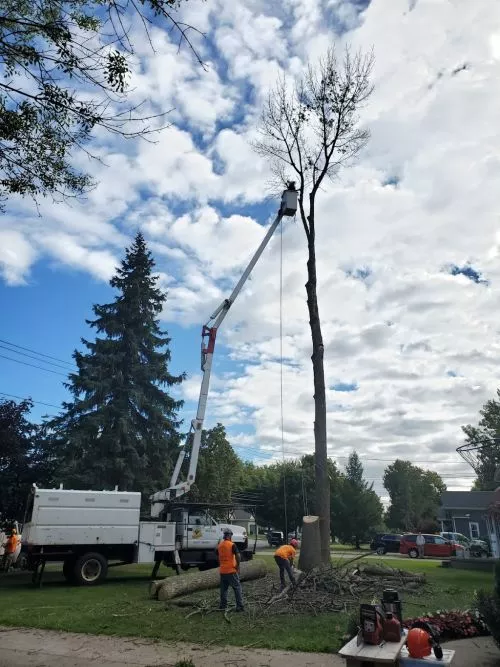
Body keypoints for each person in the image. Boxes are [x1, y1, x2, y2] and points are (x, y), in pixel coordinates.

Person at [217, 529, 244, 612]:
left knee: (223, 589)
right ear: (230, 535)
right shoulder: (232, 545)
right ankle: (239, 607)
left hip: (222, 571)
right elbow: (238, 555)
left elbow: (218, 556)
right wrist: (238, 566)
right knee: (237, 588)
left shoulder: (220, 545)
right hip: (231, 570)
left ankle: (223, 606)